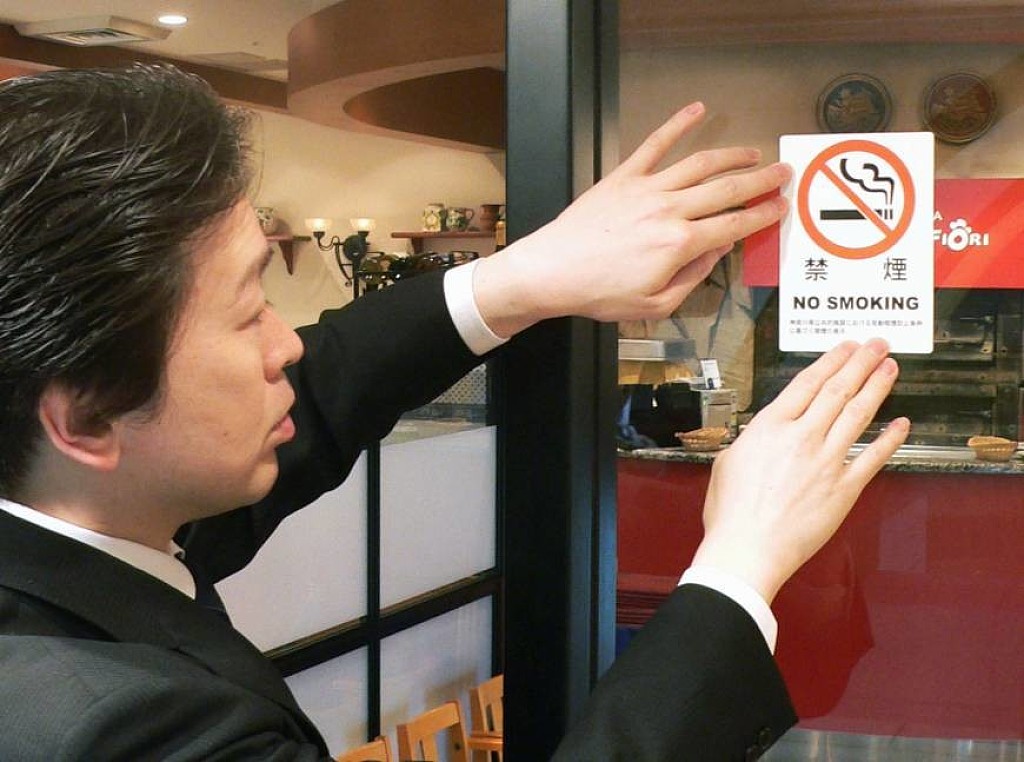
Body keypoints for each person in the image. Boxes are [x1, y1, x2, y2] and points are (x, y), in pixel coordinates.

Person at [0, 64, 908, 761]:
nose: (287, 346)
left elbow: (324, 394)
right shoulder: (113, 727)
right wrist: (742, 562)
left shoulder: (73, 513)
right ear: (86, 420)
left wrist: (521, 279)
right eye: (247, 313)